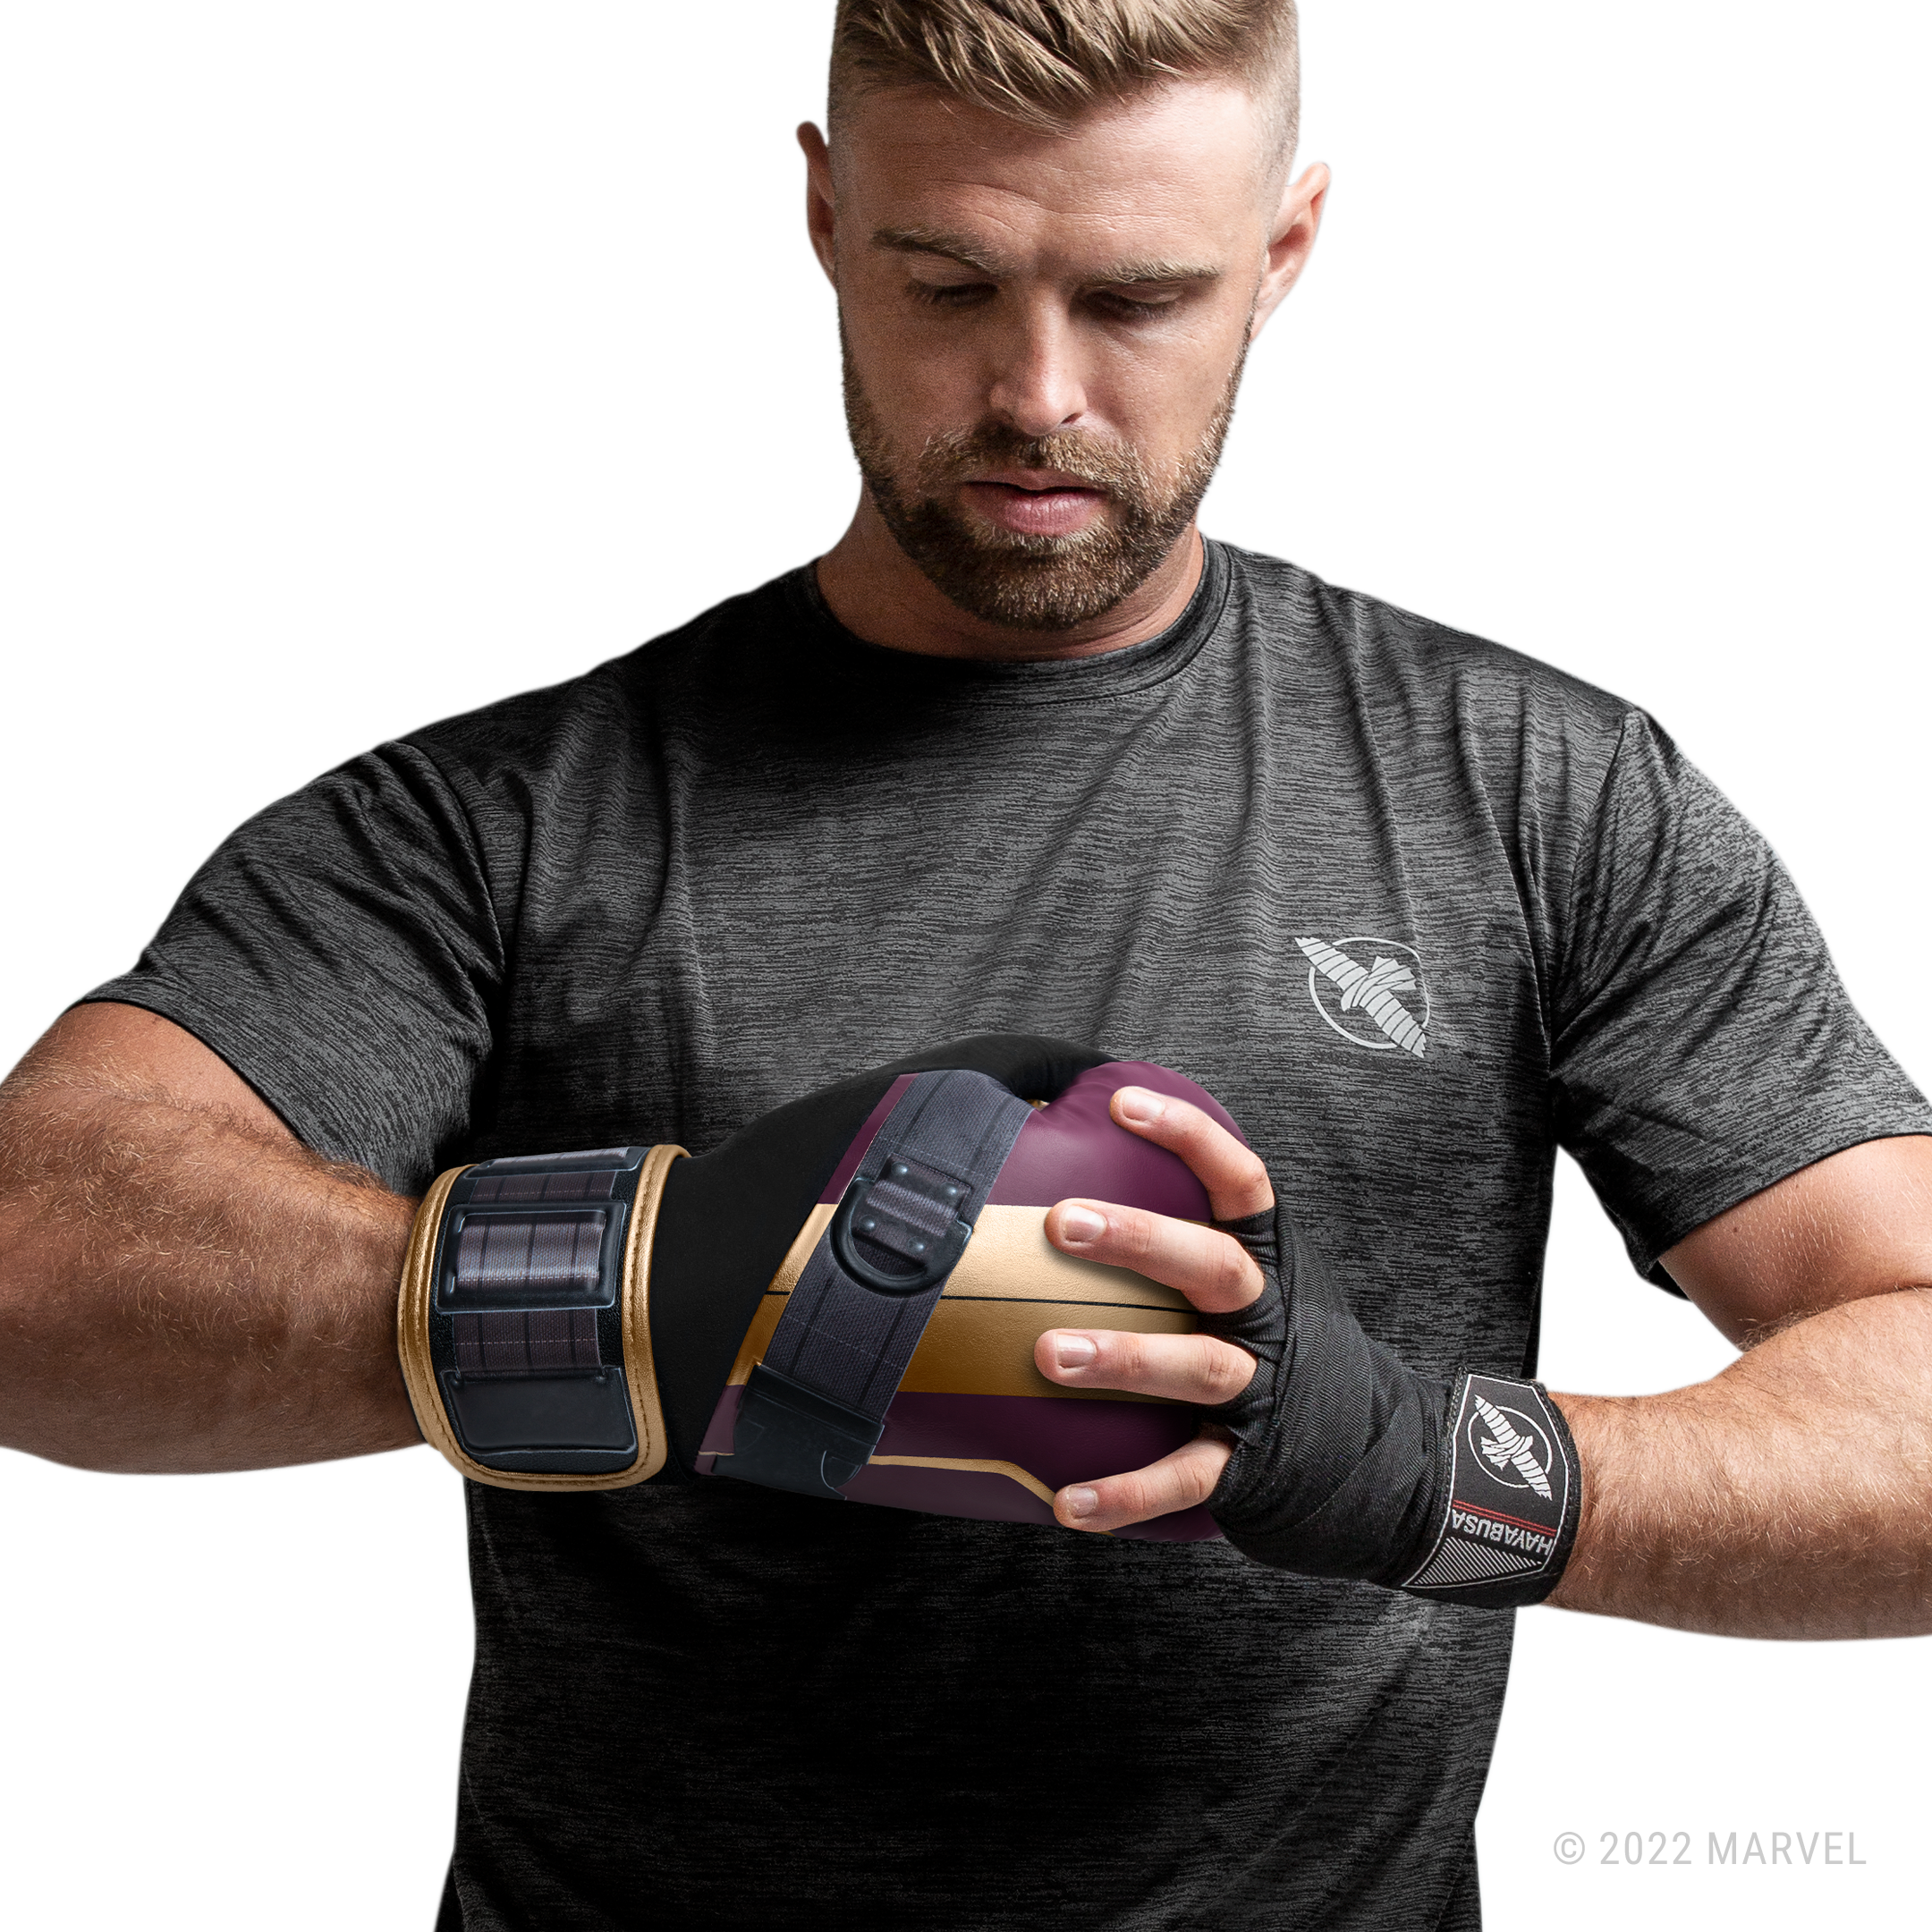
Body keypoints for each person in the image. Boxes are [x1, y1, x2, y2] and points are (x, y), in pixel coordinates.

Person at [3, 0, 1928, 1924]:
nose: (1037, 393)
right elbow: (36, 1252)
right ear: (825, 218)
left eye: (1140, 299)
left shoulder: (1531, 794)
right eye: (948, 285)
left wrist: (1415, 1463)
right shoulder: (505, 821)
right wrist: (668, 1287)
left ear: (1283, 252)